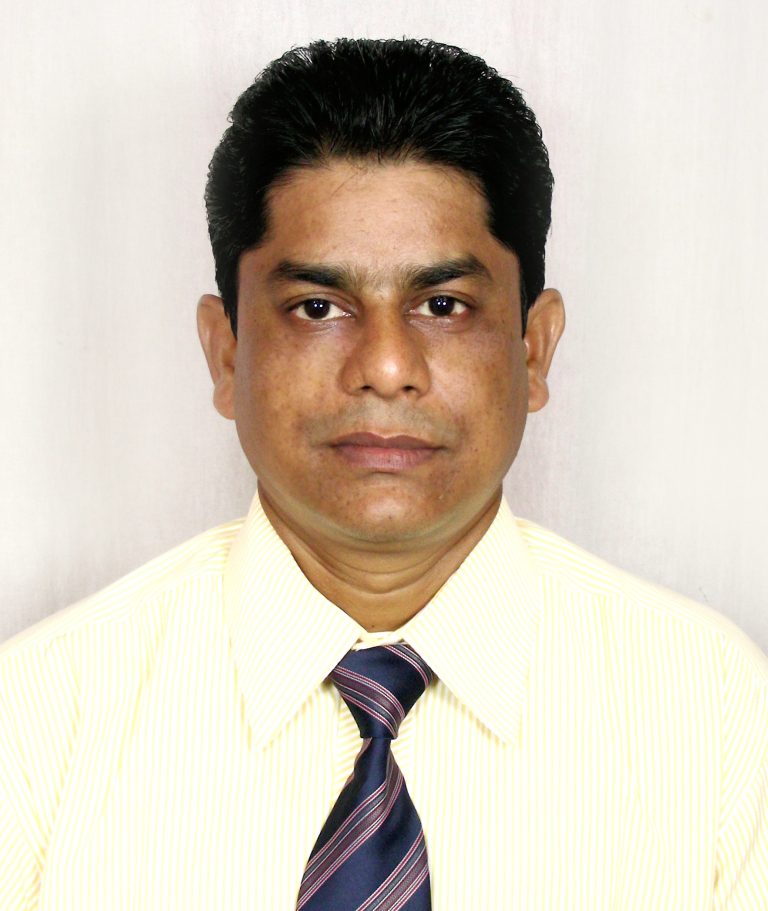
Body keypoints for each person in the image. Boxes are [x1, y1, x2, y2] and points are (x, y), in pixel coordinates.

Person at [1, 36, 766, 910]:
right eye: (317, 306)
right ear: (225, 353)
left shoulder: (715, 715)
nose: (387, 367)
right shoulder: (37, 721)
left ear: (534, 347)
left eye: (442, 305)